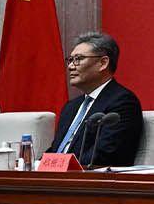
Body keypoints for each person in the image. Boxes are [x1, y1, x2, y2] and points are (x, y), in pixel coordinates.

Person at [48, 31, 144, 167]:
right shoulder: (71, 107)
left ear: (103, 63)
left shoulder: (122, 102)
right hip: (56, 179)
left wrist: (61, 167)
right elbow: (56, 151)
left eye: (78, 59)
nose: (70, 66)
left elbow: (105, 155)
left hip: (90, 182)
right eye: (70, 60)